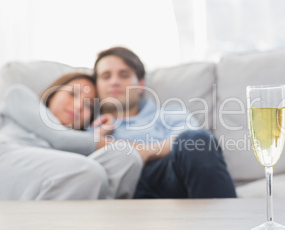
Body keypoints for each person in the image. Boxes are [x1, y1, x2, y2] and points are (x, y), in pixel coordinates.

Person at [0, 72, 154, 200]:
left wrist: (99, 132)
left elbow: (69, 142)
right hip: (0, 155)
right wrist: (149, 149)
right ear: (52, 95)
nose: (78, 107)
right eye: (72, 94)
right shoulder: (19, 95)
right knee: (88, 173)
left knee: (127, 158)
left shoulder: (74, 152)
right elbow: (60, 138)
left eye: (88, 106)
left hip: (50, 173)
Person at [92, 47, 237, 198]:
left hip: (170, 178)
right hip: (122, 188)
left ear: (141, 84)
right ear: (96, 85)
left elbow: (195, 141)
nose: (115, 82)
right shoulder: (92, 128)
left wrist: (145, 152)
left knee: (195, 140)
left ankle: (224, 219)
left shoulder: (169, 113)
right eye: (106, 76)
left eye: (124, 75)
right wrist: (98, 136)